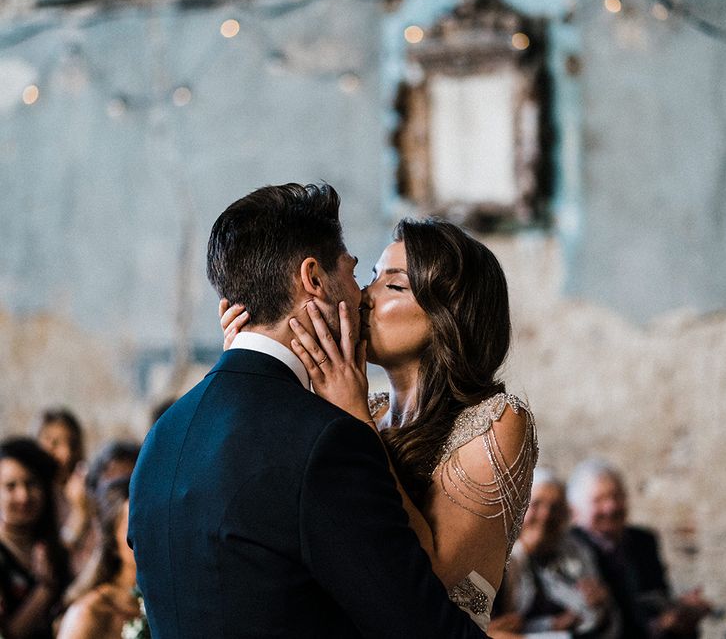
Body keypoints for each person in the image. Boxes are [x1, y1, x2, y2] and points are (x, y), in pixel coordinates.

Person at [128, 183, 486, 638]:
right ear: (314, 279)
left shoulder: (164, 434)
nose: (363, 295)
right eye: (355, 273)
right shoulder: (326, 441)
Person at [222, 215, 538, 630]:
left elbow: (426, 577)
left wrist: (352, 418)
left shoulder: (497, 419)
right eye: (370, 276)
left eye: (393, 285)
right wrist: (252, 371)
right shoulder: (361, 408)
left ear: (451, 314)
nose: (364, 296)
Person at [567, 459, 712, 638]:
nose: (611, 506)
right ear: (575, 511)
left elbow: (656, 597)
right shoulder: (568, 550)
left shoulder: (643, 540)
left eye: (617, 496)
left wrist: (679, 612)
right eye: (599, 500)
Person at [489, 468, 619, 638]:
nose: (546, 515)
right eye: (536, 504)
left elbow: (599, 621)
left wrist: (600, 607)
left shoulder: (577, 553)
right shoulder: (498, 562)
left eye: (555, 508)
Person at [0, 437, 71, 639]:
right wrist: (45, 590)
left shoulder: (53, 550)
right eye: (11, 486)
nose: (24, 496)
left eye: (31, 484)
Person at [57, 477, 141, 639]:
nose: (148, 538)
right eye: (134, 530)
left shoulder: (175, 599)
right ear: (113, 543)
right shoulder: (89, 614)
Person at [35, 409, 90, 575]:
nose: (65, 454)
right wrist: (79, 512)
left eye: (72, 444)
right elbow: (53, 562)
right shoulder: (31, 496)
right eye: (53, 443)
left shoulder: (85, 486)